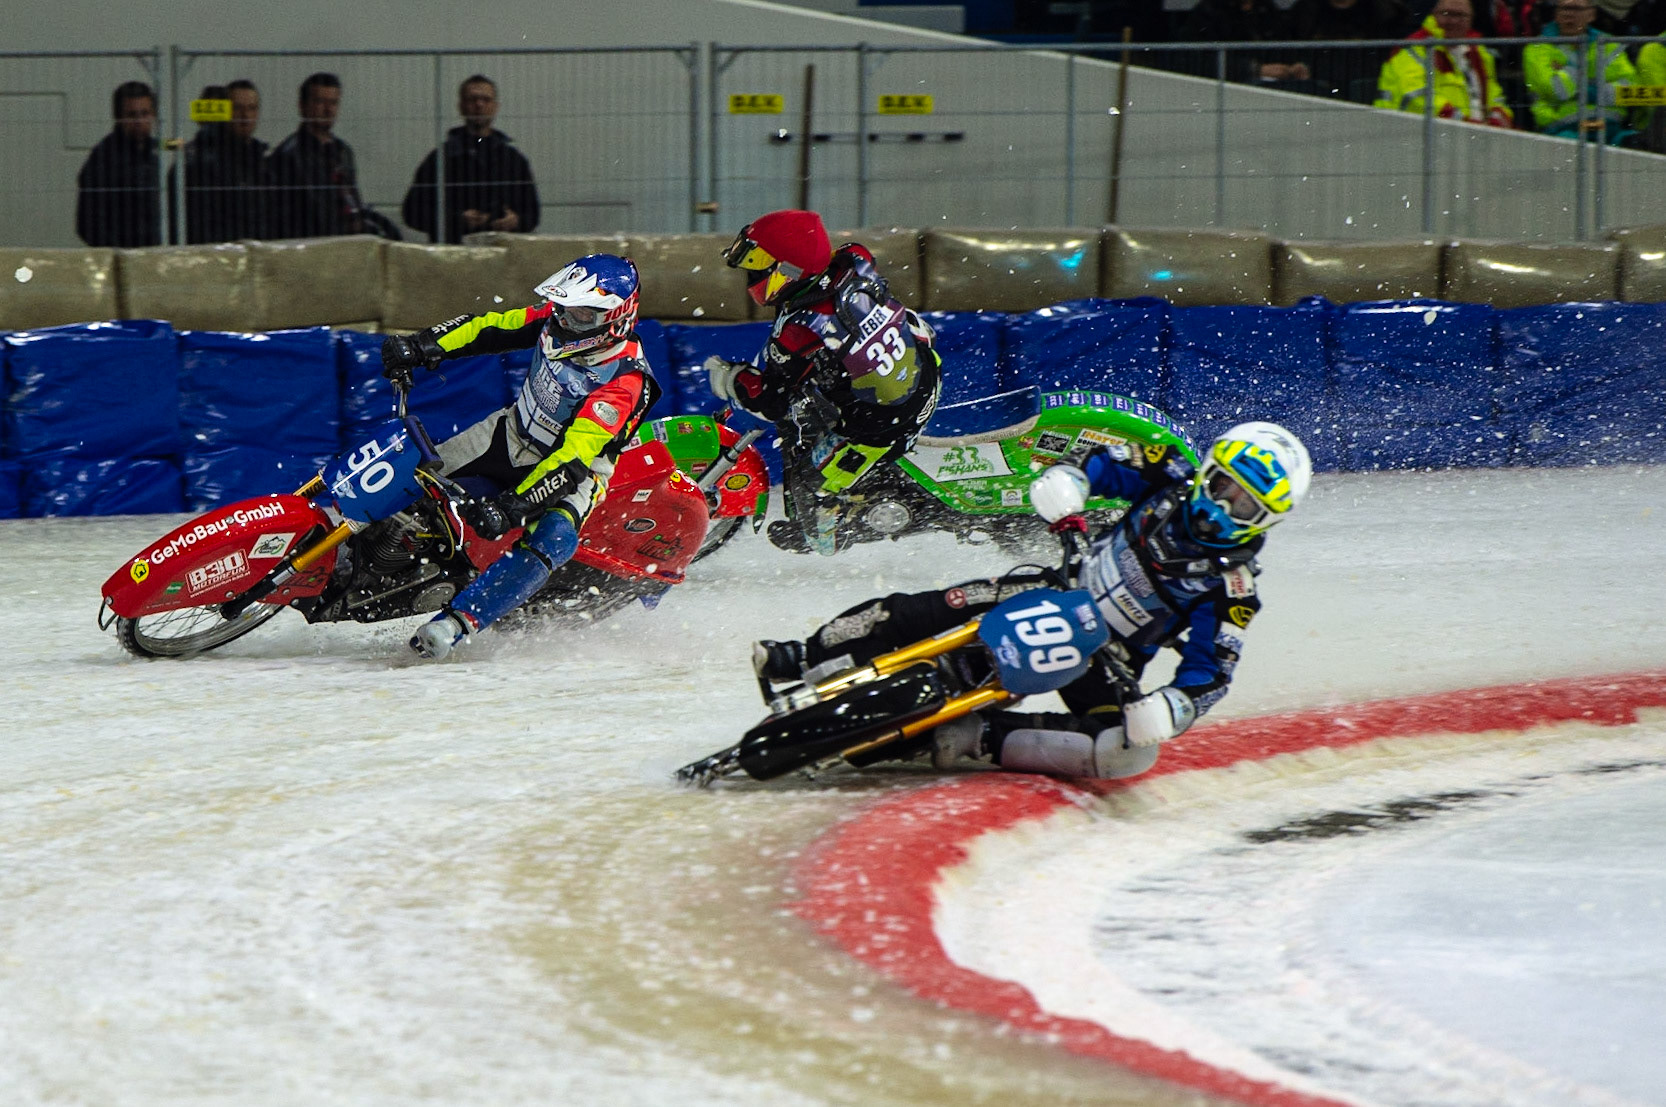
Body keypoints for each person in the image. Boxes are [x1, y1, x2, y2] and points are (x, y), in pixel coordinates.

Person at [753, 422, 1313, 780]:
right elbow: (1093, 466)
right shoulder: (1164, 469)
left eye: (1244, 507)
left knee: (1127, 753)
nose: (1221, 510)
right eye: (1222, 489)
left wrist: (1170, 709)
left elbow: (1211, 672)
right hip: (1051, 590)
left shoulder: (1233, 588)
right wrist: (1070, 489)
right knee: (925, 608)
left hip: (1106, 663)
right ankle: (802, 656)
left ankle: (971, 739)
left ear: (1265, 521)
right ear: (1206, 474)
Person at [378, 254, 659, 660]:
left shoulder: (625, 381)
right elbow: (489, 327)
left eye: (581, 313)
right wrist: (422, 345)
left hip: (576, 472)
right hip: (511, 430)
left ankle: (455, 623)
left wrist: (514, 506)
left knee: (554, 540)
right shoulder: (554, 319)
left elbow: (572, 459)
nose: (565, 320)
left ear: (614, 317)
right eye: (563, 307)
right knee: (412, 472)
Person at [705, 209, 942, 554]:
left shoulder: (802, 328)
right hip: (923, 369)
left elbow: (770, 401)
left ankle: (829, 532)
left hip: (884, 423)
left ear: (788, 269)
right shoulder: (853, 259)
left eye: (760, 264)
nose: (753, 273)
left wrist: (733, 380)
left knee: (816, 485)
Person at [402, 75, 541, 244]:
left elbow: (533, 214)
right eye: (472, 99)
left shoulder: (513, 160)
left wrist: (516, 221)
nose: (479, 105)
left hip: (502, 255)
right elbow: (411, 212)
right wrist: (456, 219)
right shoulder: (440, 159)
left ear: (495, 107)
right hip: (452, 254)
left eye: (486, 100)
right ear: (461, 106)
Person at [1374, 0, 1516, 127]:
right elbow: (1416, 98)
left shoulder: (1479, 53)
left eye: (1460, 15)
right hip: (1412, 132)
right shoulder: (1414, 48)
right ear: (1434, 14)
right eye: (1446, 13)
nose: (1453, 21)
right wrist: (1466, 124)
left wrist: (1497, 120)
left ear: (1470, 20)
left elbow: (1495, 97)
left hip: (1473, 136)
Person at [1523, 1, 1640, 141]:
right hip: (1562, 127)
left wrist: (1568, 73)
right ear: (1556, 14)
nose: (1568, 14)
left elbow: (1630, 90)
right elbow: (1556, 90)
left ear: (1591, 14)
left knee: (1635, 142)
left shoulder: (1609, 44)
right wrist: (1599, 87)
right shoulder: (1537, 48)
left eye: (1575, 8)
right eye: (1564, 8)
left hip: (1610, 127)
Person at [267, 72, 364, 238]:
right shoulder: (288, 155)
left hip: (344, 243)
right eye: (320, 102)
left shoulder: (343, 151)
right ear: (302, 106)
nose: (328, 110)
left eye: (333, 103)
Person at [175, 80, 273, 242]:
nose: (245, 116)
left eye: (252, 108)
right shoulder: (202, 163)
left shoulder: (261, 157)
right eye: (237, 108)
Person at [75, 80, 161, 247]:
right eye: (131, 115)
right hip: (120, 254)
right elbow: (87, 223)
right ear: (118, 117)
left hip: (154, 253)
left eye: (145, 114)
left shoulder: (155, 151)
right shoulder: (103, 158)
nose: (139, 122)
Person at [1286, 0, 1417, 98]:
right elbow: (1290, 52)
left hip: (1369, 94)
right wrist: (1297, 66)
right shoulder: (1305, 10)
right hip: (1316, 95)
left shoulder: (1388, 12)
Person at [1177, 0, 1313, 85]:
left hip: (1276, 84)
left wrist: (1295, 65)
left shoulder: (1267, 9)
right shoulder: (1208, 12)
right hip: (1232, 86)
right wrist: (1254, 69)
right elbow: (1200, 61)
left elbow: (1284, 43)